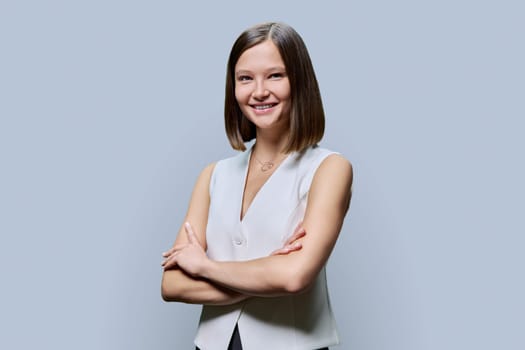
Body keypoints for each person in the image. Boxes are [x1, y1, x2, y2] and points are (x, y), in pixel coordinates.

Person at [161, 22, 353, 350]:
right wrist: (268, 275)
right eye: (245, 78)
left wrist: (206, 267)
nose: (259, 91)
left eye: (275, 75)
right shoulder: (214, 174)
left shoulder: (329, 169)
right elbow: (173, 283)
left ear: (300, 81)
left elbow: (294, 277)